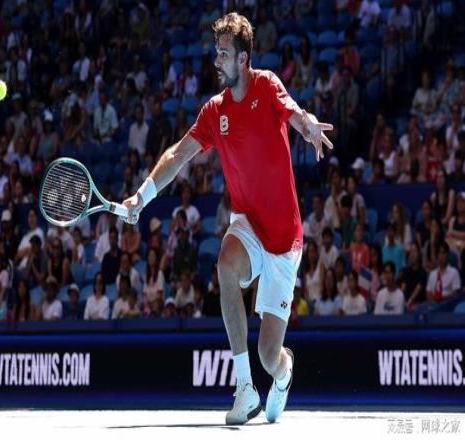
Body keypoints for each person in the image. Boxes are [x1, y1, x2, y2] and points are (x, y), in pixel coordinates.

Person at [123, 12, 333, 425]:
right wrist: (141, 196)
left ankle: (282, 372)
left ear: (243, 59)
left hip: (284, 239)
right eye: (216, 52)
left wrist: (307, 125)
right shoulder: (214, 111)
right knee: (225, 265)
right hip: (248, 224)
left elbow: (295, 113)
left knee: (269, 355)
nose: (216, 60)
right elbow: (177, 154)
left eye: (223, 53)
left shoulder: (267, 86)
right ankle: (245, 388)